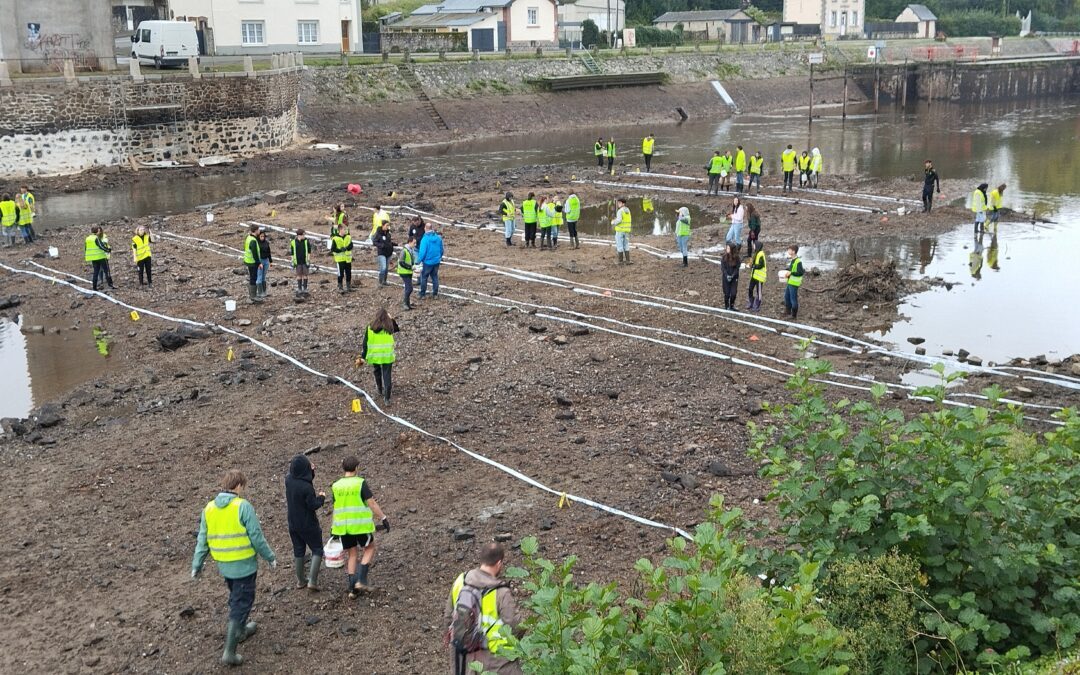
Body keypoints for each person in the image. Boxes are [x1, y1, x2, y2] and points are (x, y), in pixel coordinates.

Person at [191, 469, 277, 667]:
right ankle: (229, 651)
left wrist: (197, 564)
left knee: (236, 596)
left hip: (224, 565)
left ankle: (242, 629)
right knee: (242, 602)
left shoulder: (209, 508)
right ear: (238, 486)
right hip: (244, 565)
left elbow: (202, 539)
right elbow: (256, 536)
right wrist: (269, 557)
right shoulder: (242, 506)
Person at [446, 543, 522, 675]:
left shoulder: (461, 581)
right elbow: (516, 625)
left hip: (464, 656)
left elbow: (448, 617)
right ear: (499, 563)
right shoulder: (500, 592)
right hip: (496, 660)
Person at [330, 456, 389, 597]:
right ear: (356, 468)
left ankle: (352, 589)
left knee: (352, 554)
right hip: (360, 526)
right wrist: (383, 518)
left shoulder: (336, 485)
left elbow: (335, 507)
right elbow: (372, 503)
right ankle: (361, 579)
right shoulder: (360, 483)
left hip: (343, 527)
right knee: (370, 548)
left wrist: (333, 528)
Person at [285, 454, 326, 592]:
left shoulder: (288, 480)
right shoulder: (307, 488)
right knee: (317, 549)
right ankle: (312, 581)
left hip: (293, 523)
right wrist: (321, 497)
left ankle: (301, 581)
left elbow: (303, 477)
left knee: (299, 550)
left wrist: (311, 471)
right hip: (308, 524)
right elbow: (312, 505)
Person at [359, 307, 399, 403]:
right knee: (387, 375)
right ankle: (387, 399)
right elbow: (397, 329)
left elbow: (365, 343)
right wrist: (392, 319)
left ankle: (380, 390)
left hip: (375, 355)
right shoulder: (389, 327)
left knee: (377, 371)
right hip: (387, 356)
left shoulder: (370, 327)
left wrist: (363, 356)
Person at [417, 222, 443, 299]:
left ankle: (422, 294)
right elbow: (442, 249)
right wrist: (439, 257)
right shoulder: (438, 238)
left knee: (424, 277)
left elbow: (422, 252)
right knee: (435, 277)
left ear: (425, 228)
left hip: (427, 262)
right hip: (436, 261)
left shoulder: (425, 239)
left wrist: (419, 261)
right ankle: (435, 294)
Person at [85, 225, 114, 291]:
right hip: (101, 257)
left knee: (95, 272)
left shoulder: (87, 238)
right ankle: (111, 284)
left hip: (93, 258)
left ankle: (94, 287)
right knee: (107, 271)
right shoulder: (96, 238)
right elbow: (101, 246)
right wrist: (108, 250)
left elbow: (86, 248)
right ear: (97, 231)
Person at [781, 245, 804, 320]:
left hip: (794, 283)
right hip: (790, 282)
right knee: (786, 297)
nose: (788, 251)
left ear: (793, 252)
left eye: (789, 250)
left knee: (793, 299)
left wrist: (791, 273)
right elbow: (792, 269)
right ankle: (788, 311)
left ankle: (794, 315)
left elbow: (800, 272)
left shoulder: (798, 261)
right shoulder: (793, 260)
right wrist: (787, 270)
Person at [331, 221, 354, 293]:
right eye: (344, 229)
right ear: (340, 230)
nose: (346, 231)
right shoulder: (335, 238)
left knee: (348, 273)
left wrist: (346, 248)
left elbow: (351, 245)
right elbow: (333, 249)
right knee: (340, 273)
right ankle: (340, 287)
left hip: (347, 259)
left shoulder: (348, 237)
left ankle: (348, 287)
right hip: (340, 259)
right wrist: (340, 250)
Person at [241, 224, 262, 303]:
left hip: (248, 261)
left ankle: (252, 295)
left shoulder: (249, 237)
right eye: (258, 230)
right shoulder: (253, 240)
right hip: (252, 262)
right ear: (256, 230)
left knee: (252, 277)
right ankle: (253, 296)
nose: (259, 231)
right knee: (253, 278)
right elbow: (255, 253)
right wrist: (258, 263)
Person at [397, 234, 417, 310]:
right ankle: (405, 303)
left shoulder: (410, 250)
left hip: (408, 272)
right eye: (414, 243)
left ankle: (407, 304)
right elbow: (401, 262)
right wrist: (410, 267)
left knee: (407, 288)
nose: (415, 245)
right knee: (409, 288)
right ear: (409, 242)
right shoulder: (404, 251)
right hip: (404, 272)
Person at [290, 228, 311, 296]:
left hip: (305, 261)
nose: (304, 236)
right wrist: (292, 261)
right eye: (303, 235)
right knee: (299, 275)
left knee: (305, 275)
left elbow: (309, 251)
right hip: (298, 262)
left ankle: (305, 288)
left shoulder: (306, 241)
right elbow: (292, 253)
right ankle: (299, 288)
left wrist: (308, 260)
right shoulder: (293, 242)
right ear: (299, 235)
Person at [373, 219, 394, 286]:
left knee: (386, 269)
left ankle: (384, 281)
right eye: (386, 225)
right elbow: (374, 242)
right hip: (381, 253)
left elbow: (388, 242)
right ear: (383, 225)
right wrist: (381, 245)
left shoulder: (388, 233)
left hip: (388, 253)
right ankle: (380, 281)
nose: (388, 227)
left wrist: (393, 244)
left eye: (388, 225)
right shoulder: (378, 233)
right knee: (383, 268)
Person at [747, 241, 766, 312]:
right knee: (750, 289)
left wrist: (753, 266)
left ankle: (757, 305)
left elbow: (761, 265)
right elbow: (753, 262)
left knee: (759, 292)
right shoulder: (755, 253)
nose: (753, 246)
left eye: (754, 245)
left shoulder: (761, 254)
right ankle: (751, 302)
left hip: (759, 277)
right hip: (754, 275)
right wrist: (750, 264)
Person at [612, 197, 632, 265]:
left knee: (619, 245)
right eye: (618, 203)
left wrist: (613, 222)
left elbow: (619, 220)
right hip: (626, 231)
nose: (618, 204)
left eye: (619, 203)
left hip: (620, 231)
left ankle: (620, 261)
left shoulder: (620, 211)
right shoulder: (628, 210)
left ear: (623, 204)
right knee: (626, 245)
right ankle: (628, 260)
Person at [721, 243, 740, 311]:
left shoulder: (737, 258)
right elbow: (723, 268)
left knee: (733, 293)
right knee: (726, 293)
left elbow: (737, 268)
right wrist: (727, 276)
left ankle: (731, 306)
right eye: (727, 248)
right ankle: (726, 306)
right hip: (726, 278)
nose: (727, 249)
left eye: (728, 248)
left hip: (734, 278)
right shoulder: (724, 257)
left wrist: (732, 276)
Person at [256, 229, 272, 299]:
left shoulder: (266, 243)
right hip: (260, 260)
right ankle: (260, 292)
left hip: (266, 260)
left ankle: (264, 291)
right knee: (259, 276)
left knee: (263, 276)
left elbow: (269, 252)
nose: (262, 238)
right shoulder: (257, 243)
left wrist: (270, 261)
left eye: (263, 236)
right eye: (261, 236)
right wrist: (258, 262)